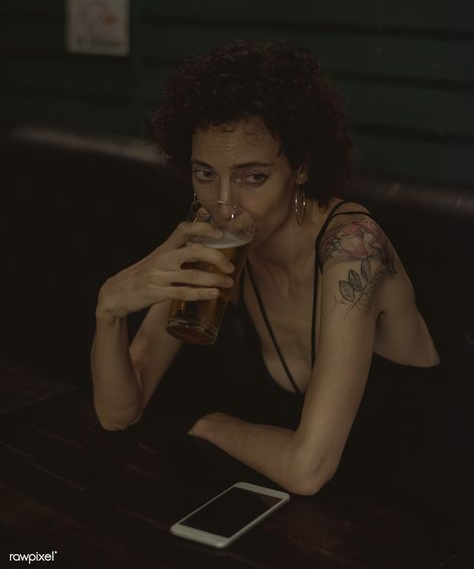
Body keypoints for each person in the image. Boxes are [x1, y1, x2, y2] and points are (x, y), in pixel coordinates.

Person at [91, 40, 441, 499]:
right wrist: (109, 311)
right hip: (303, 503)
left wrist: (216, 426)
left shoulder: (353, 246)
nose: (225, 203)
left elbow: (307, 469)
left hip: (415, 500)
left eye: (252, 177)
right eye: (205, 174)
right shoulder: (215, 238)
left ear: (302, 167)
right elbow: (119, 412)